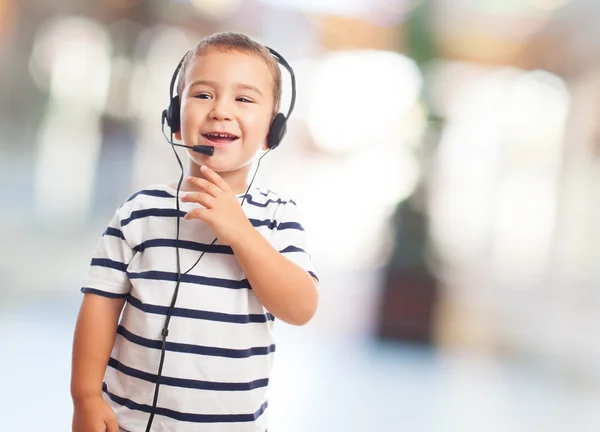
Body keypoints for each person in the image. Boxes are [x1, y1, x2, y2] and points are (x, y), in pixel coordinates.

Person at [70, 31, 319, 432]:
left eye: (243, 99)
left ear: (273, 128)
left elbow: (301, 307)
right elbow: (99, 305)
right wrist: (84, 396)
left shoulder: (277, 217)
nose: (221, 110)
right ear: (175, 116)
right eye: (203, 95)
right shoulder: (139, 214)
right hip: (130, 422)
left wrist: (240, 231)